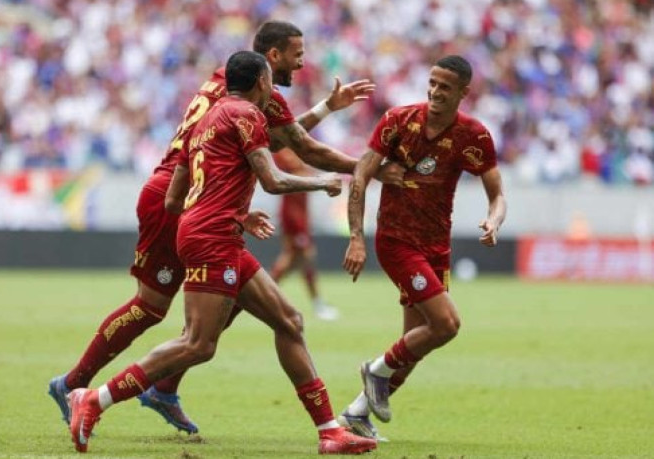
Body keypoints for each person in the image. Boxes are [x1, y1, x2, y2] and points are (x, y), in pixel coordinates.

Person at [47, 20, 379, 436]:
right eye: (296, 54)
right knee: (155, 309)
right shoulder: (256, 95)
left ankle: (165, 386)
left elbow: (275, 140)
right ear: (271, 60)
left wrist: (328, 110)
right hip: (180, 199)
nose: (302, 62)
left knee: (248, 303)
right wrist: (371, 167)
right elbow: (297, 147)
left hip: (195, 199)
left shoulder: (228, 82)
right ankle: (77, 385)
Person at [337, 55, 507, 440]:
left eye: (445, 87)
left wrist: (494, 219)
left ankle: (356, 414)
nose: (434, 92)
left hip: (436, 247)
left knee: (416, 345)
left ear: (464, 92)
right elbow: (361, 174)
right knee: (447, 325)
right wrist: (356, 238)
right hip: (397, 241)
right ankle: (375, 369)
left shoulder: (474, 136)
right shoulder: (398, 120)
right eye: (432, 82)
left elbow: (497, 194)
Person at [270, 148, 339, 320]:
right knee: (304, 256)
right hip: (293, 213)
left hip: (300, 211)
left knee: (296, 258)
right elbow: (298, 173)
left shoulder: (296, 147)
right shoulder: (282, 151)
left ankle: (266, 293)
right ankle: (317, 304)